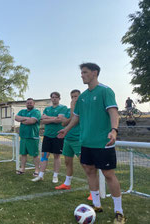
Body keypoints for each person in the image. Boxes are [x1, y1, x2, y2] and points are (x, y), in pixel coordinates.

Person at [58, 63, 125, 224]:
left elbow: (113, 112)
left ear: (94, 73)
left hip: (103, 142)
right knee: (89, 171)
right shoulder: (82, 97)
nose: (82, 75)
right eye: (81, 72)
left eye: (85, 72)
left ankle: (119, 211)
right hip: (86, 142)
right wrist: (66, 129)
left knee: (108, 174)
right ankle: (96, 205)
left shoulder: (105, 91)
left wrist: (114, 130)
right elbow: (76, 117)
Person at [32, 92, 67, 183]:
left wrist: (49, 118)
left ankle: (55, 176)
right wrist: (54, 119)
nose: (54, 99)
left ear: (59, 98)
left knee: (56, 156)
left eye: (56, 97)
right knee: (44, 155)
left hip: (58, 135)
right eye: (53, 97)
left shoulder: (63, 108)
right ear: (51, 98)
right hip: (47, 135)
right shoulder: (47, 109)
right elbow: (43, 121)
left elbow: (59, 120)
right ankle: (40, 175)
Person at [55, 89, 81, 189]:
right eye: (72, 97)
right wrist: (72, 109)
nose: (74, 99)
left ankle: (94, 189)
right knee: (67, 162)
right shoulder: (68, 110)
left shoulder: (83, 108)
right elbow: (64, 123)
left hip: (79, 139)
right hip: (68, 139)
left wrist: (74, 110)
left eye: (76, 96)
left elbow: (76, 119)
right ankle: (67, 183)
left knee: (86, 165)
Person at [15, 98, 41, 175]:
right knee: (23, 154)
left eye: (30, 103)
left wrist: (22, 120)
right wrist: (26, 119)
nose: (29, 104)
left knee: (35, 155)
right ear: (26, 104)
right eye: (27, 103)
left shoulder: (36, 112)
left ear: (34, 104)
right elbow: (16, 118)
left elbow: (32, 121)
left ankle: (37, 170)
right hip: (23, 137)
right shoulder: (22, 111)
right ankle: (22, 169)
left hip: (32, 136)